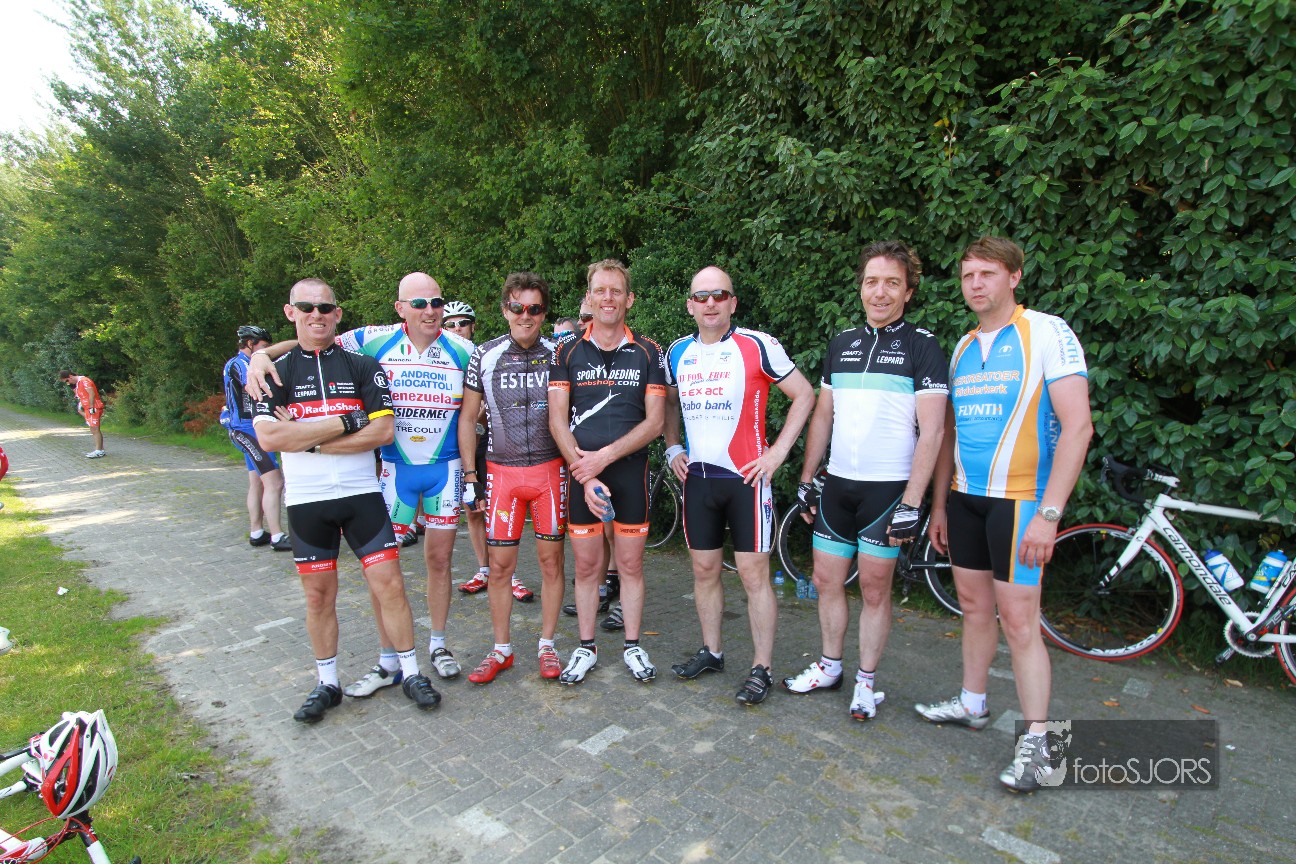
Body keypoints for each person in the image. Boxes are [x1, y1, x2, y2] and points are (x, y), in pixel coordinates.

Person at [915, 236, 1092, 792]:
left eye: (987, 273)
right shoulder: (964, 346)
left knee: (1019, 623)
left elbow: (1079, 427)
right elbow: (948, 434)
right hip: (966, 500)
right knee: (973, 607)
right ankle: (973, 703)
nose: (976, 284)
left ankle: (1041, 748)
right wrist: (940, 504)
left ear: (1014, 277)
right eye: (968, 275)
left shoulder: (1047, 332)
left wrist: (1050, 514)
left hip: (1023, 502)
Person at [247, 272, 471, 695]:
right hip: (393, 473)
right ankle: (389, 661)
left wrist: (308, 441)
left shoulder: (463, 349)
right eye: (418, 303)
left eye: (436, 302)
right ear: (400, 308)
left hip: (444, 469)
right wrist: (261, 357)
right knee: (382, 576)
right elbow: (313, 340)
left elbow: (477, 408)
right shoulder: (370, 339)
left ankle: (438, 645)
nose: (429, 310)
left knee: (440, 561)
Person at [783, 241, 948, 722]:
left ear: (908, 292)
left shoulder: (922, 345)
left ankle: (867, 683)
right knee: (825, 580)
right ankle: (830, 667)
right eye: (872, 282)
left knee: (875, 590)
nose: (880, 292)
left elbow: (934, 430)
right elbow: (823, 415)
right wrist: (808, 477)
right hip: (838, 485)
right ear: (861, 287)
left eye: (892, 283)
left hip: (888, 490)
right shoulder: (842, 343)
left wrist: (912, 502)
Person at [663, 267, 814, 705]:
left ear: (733, 303)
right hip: (698, 481)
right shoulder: (677, 352)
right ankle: (712, 652)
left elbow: (805, 394)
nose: (710, 303)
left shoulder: (757, 345)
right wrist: (672, 447)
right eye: (701, 296)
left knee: (753, 575)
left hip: (746, 480)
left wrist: (777, 453)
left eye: (719, 295)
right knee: (704, 570)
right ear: (690, 305)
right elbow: (668, 402)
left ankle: (761, 667)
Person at [548, 259, 666, 684]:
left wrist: (604, 458)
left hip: (629, 474)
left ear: (629, 299)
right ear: (589, 297)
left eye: (616, 291)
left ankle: (633, 646)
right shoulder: (566, 351)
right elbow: (557, 421)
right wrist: (586, 471)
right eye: (600, 290)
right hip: (584, 475)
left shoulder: (649, 351)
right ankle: (586, 647)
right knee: (585, 566)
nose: (608, 298)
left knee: (630, 565)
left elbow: (655, 422)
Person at [459, 272, 567, 684]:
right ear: (505, 309)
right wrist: (471, 475)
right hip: (502, 474)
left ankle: (547, 645)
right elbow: (467, 418)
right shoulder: (484, 354)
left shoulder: (559, 352)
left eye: (534, 308)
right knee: (500, 567)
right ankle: (501, 649)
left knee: (551, 563)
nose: (526, 316)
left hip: (549, 472)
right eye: (517, 307)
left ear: (544, 313)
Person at [446, 301, 534, 603]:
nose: (457, 329)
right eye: (450, 324)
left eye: (462, 323)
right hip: (459, 445)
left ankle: (509, 574)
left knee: (500, 512)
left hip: (490, 444)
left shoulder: (487, 354)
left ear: (473, 326)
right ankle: (484, 569)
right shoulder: (444, 359)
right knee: (472, 510)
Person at [222, 325, 288, 550]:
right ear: (250, 344)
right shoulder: (241, 364)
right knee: (275, 482)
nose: (266, 351)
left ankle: (257, 531)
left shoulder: (239, 363)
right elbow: (256, 386)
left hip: (248, 428)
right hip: (247, 429)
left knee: (257, 482)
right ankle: (277, 536)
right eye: (264, 346)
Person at [58, 371, 105, 458]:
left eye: (67, 381)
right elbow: (77, 394)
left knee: (95, 429)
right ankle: (100, 449)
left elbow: (91, 393)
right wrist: (70, 385)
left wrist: (91, 407)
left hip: (93, 407)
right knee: (93, 429)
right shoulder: (78, 384)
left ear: (70, 376)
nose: (68, 383)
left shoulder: (84, 380)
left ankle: (99, 450)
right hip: (87, 408)